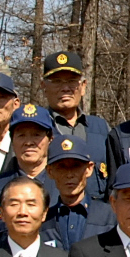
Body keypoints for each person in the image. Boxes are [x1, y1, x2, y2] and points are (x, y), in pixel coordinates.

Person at [0, 102, 59, 250]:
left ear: (50, 138)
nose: (29, 142)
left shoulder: (61, 185)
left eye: (36, 135)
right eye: (21, 135)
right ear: (12, 139)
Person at [40, 50, 114, 196]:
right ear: (43, 86)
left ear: (83, 86)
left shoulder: (101, 128)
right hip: (51, 216)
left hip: (97, 215)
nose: (65, 88)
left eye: (71, 81)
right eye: (57, 81)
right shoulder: (37, 130)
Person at [41, 135, 116, 250]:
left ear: (89, 169)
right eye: (62, 167)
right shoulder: (43, 221)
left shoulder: (110, 217)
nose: (69, 174)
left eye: (76, 166)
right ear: (50, 172)